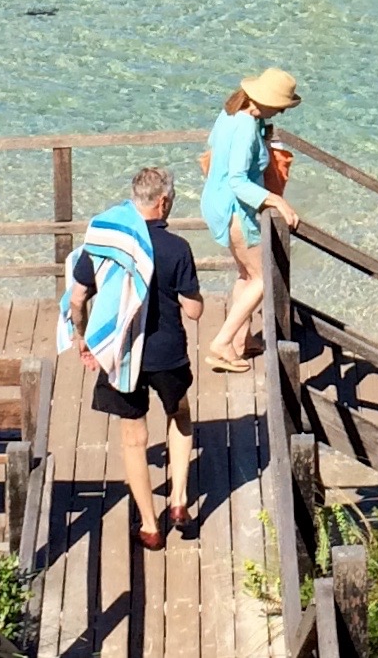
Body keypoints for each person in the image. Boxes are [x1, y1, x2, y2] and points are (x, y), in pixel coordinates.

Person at [63, 168, 203, 550]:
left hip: (122, 353)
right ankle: (177, 501)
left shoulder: (106, 243)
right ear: (163, 202)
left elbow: (77, 299)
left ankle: (149, 526)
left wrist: (84, 339)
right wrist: (193, 297)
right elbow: (193, 311)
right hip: (166, 353)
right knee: (180, 415)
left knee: (133, 438)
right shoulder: (177, 248)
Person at [199, 68, 301, 373]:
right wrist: (276, 200)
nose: (282, 111)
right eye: (281, 105)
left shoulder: (231, 113)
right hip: (235, 209)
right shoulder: (245, 126)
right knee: (263, 277)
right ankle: (221, 343)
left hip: (215, 202)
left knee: (246, 274)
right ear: (266, 101)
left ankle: (241, 341)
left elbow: (215, 151)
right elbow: (238, 181)